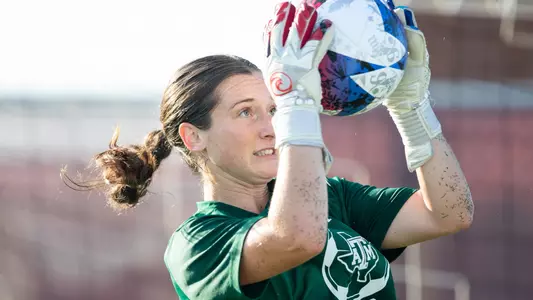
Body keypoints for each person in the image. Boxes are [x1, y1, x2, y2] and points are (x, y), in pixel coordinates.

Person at [63, 3, 474, 300]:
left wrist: (412, 109)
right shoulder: (198, 245)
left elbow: (449, 212)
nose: (270, 127)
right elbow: (297, 236)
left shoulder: (333, 198)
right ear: (193, 137)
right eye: (246, 112)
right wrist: (297, 104)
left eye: (274, 109)